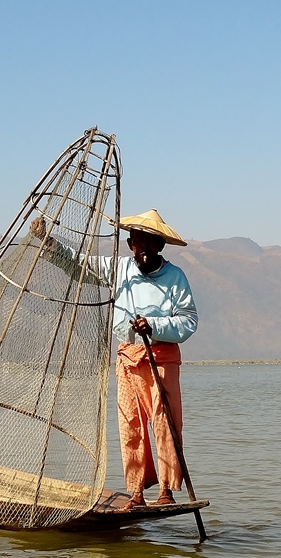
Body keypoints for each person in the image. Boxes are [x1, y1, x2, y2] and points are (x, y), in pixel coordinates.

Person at [31, 209, 198, 509]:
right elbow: (78, 264)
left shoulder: (175, 278)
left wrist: (155, 325)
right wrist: (48, 242)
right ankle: (135, 492)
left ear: (160, 246)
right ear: (130, 243)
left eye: (149, 242)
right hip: (127, 358)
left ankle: (166, 491)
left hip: (160, 358)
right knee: (130, 424)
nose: (142, 249)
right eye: (137, 242)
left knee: (164, 423)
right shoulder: (119, 269)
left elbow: (188, 321)